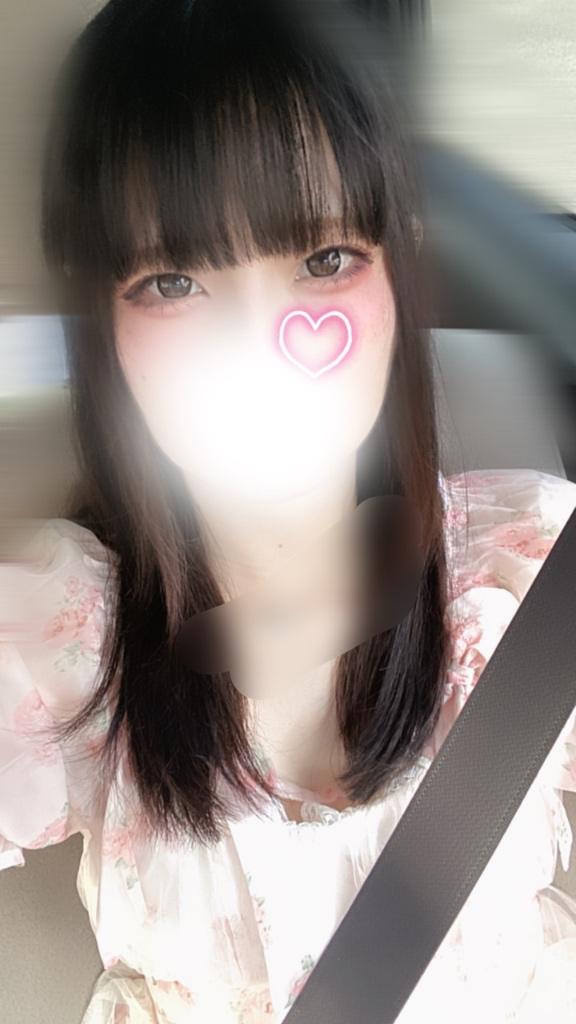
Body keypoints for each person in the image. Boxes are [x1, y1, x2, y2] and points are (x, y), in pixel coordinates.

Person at [1, 1, 576, 1021]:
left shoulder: (528, 577)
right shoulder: (64, 643)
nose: (262, 348)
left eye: (324, 259)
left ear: (400, 270)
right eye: (174, 280)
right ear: (105, 325)